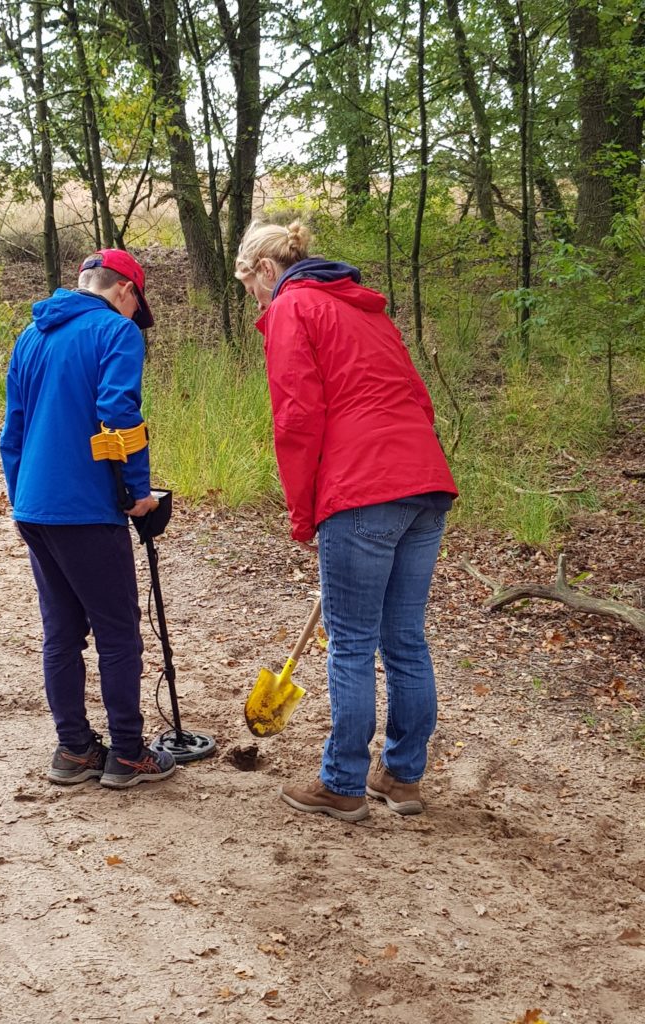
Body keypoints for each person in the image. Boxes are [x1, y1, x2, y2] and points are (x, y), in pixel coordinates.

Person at [235, 221, 458, 823]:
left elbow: (297, 419)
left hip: (362, 487)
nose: (255, 300)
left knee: (353, 644)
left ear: (263, 269)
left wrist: (304, 512)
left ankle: (342, 784)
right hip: (425, 480)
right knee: (405, 640)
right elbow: (419, 396)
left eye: (249, 286)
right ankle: (402, 778)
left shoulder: (293, 307)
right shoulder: (366, 309)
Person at [0, 249, 176, 789]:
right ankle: (127, 753)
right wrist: (138, 491)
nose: (133, 318)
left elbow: (13, 430)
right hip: (84, 509)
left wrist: (23, 498)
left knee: (62, 633)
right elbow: (119, 413)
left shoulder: (31, 336)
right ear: (125, 290)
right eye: (135, 306)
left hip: (35, 506)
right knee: (119, 634)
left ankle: (74, 749)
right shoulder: (116, 333)